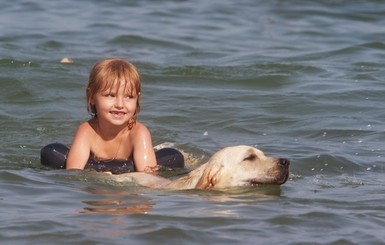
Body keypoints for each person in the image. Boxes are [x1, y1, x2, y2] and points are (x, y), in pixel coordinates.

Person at [66, 58, 158, 172]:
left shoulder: (139, 134)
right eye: (110, 95)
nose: (120, 104)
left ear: (137, 99)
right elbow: (73, 174)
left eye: (129, 97)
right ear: (92, 96)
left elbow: (149, 178)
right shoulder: (86, 131)